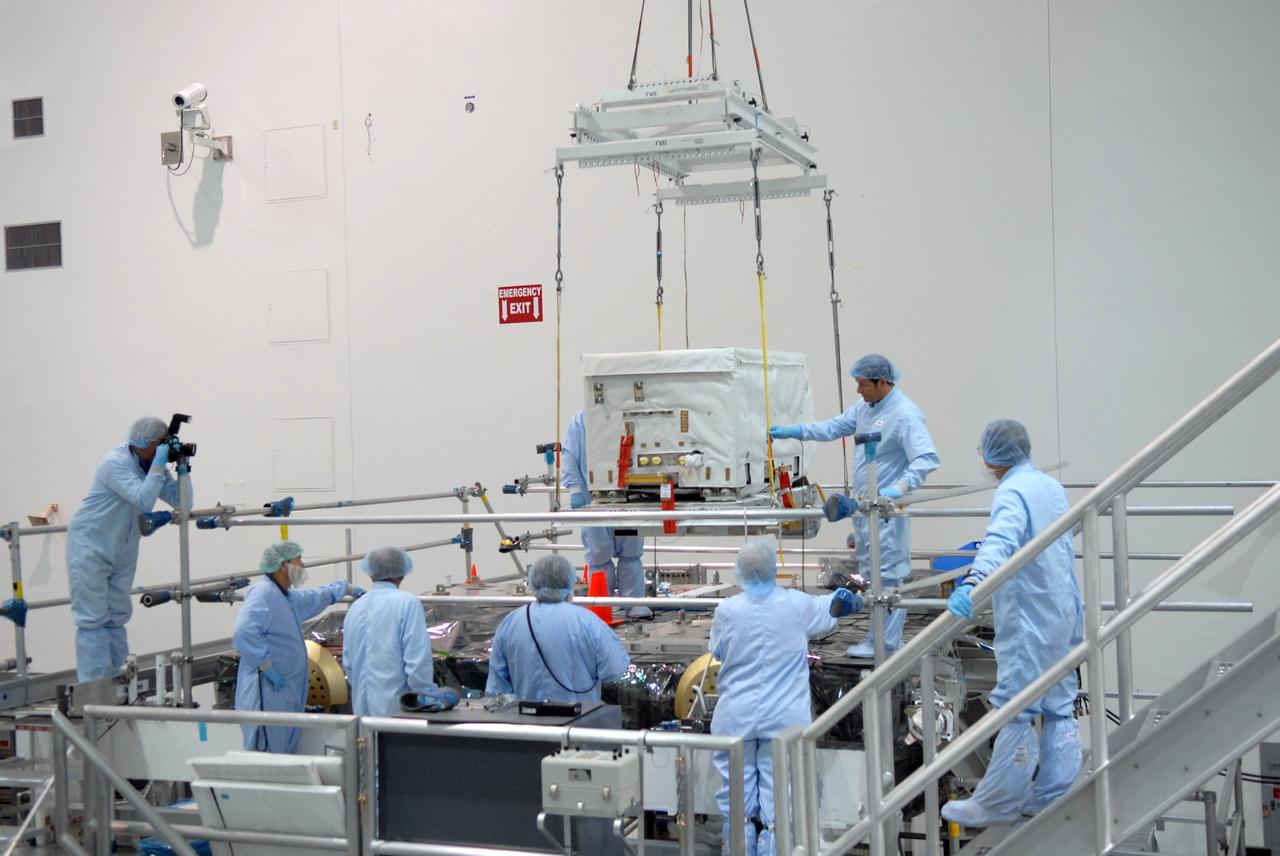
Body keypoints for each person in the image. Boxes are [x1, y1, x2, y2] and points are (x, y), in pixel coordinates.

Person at [940, 419, 1083, 826]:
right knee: (1057, 705)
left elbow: (1000, 543)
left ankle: (998, 802)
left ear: (992, 455)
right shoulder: (1049, 487)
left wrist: (972, 583)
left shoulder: (1012, 491)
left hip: (1029, 617)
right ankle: (1054, 792)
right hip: (1061, 611)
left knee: (1018, 707)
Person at [770, 353, 938, 656]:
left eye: (863, 384)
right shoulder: (865, 408)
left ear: (882, 382)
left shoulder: (905, 414)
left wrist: (897, 489)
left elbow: (926, 458)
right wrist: (796, 432)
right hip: (864, 508)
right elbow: (834, 427)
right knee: (871, 570)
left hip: (886, 509)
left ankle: (884, 643)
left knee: (887, 574)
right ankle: (879, 638)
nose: (858, 390)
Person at [710, 539, 861, 855]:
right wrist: (847, 598)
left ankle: (738, 845)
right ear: (773, 569)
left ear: (740, 571)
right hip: (783, 718)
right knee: (781, 796)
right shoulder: (795, 603)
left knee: (735, 794)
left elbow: (718, 651)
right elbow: (827, 610)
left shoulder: (727, 610)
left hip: (736, 716)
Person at [67, 417, 191, 681]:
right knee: (93, 619)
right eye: (160, 445)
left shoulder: (149, 465)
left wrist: (182, 468)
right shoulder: (115, 463)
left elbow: (183, 501)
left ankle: (119, 681)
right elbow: (144, 500)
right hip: (90, 546)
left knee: (117, 616)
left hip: (122, 548)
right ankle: (95, 689)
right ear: (146, 442)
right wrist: (159, 463)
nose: (164, 451)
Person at [233, 541, 360, 753]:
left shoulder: (284, 596)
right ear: (282, 565)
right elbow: (244, 632)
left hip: (283, 693)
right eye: (297, 559)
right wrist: (266, 666)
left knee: (281, 752)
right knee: (266, 755)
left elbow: (312, 598)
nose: (302, 564)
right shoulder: (264, 592)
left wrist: (343, 588)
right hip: (267, 691)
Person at [486, 553, 630, 703]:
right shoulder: (587, 622)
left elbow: (497, 688)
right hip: (578, 719)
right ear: (569, 583)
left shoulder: (511, 622)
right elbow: (614, 670)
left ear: (533, 583)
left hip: (526, 721)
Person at [343, 546, 456, 716]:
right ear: (402, 572)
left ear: (371, 572)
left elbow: (349, 664)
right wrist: (425, 695)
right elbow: (417, 658)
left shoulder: (355, 607)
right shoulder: (407, 603)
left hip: (362, 709)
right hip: (397, 708)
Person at [562, 410, 651, 619]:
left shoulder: (633, 414)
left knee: (630, 551)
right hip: (592, 499)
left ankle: (633, 603)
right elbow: (570, 454)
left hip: (629, 497)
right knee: (599, 554)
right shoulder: (580, 421)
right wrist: (575, 488)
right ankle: (601, 604)